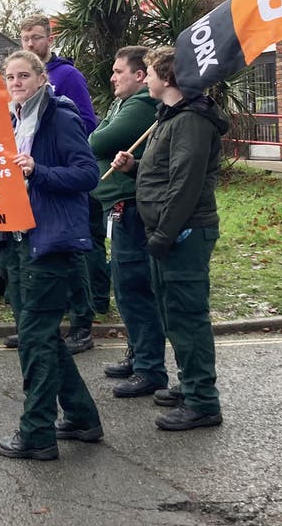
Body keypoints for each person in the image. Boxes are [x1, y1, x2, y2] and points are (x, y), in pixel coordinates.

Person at [0, 50, 102, 460]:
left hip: (51, 243)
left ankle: (37, 433)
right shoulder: (12, 119)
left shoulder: (60, 116)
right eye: (10, 77)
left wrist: (39, 170)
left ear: (41, 78)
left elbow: (86, 174)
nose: (16, 82)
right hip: (19, 240)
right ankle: (82, 417)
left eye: (24, 75)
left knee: (35, 341)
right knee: (42, 338)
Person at [111, 47, 230, 431]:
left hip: (183, 231)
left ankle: (202, 401)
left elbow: (186, 183)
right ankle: (190, 384)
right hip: (168, 231)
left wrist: (164, 233)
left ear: (168, 78)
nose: (145, 78)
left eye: (149, 73)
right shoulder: (171, 117)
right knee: (170, 312)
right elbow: (164, 170)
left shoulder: (191, 121)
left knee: (187, 315)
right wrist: (136, 167)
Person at [10, 14, 105, 354]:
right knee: (32, 267)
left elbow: (86, 124)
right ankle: (34, 328)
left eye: (35, 37)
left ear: (49, 39)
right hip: (28, 197)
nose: (30, 44)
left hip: (59, 185)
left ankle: (81, 323)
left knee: (73, 255)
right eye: (24, 39)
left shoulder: (68, 76)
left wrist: (47, 163)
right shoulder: (14, 106)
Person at [88, 46, 166, 398]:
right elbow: (98, 136)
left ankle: (149, 367)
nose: (112, 77)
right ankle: (138, 355)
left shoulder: (139, 106)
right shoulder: (122, 104)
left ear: (139, 75)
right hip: (118, 206)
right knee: (124, 285)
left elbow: (98, 140)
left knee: (134, 287)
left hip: (132, 208)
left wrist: (101, 140)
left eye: (119, 71)